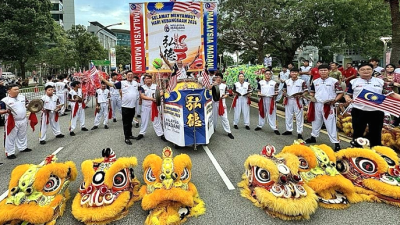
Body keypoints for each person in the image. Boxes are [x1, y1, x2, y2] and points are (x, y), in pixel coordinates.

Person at [344, 63, 400, 147]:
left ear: (372, 70)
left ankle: (376, 152)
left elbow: (392, 94)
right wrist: (347, 98)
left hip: (376, 112)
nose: (366, 71)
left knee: (376, 134)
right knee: (358, 133)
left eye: (368, 69)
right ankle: (357, 151)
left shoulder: (380, 82)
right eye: (362, 69)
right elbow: (347, 93)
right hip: (359, 111)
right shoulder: (353, 82)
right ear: (358, 72)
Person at [305, 64, 343, 151]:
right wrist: (310, 97)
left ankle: (336, 143)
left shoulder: (334, 81)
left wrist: (335, 100)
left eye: (325, 70)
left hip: (328, 105)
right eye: (321, 70)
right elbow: (312, 92)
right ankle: (313, 137)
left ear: (329, 71)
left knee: (330, 124)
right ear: (318, 71)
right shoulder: (315, 81)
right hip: (317, 104)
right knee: (315, 122)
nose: (323, 72)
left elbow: (340, 93)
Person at [101, 71, 140, 145]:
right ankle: (126, 138)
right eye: (129, 75)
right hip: (125, 107)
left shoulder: (136, 83)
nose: (130, 76)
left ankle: (130, 134)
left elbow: (142, 89)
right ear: (126, 76)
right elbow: (111, 85)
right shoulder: (122, 83)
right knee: (126, 123)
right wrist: (103, 79)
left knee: (130, 122)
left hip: (133, 106)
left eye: (131, 75)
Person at [0, 84, 32, 159]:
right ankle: (10, 152)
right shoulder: (4, 101)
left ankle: (23, 147)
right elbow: (0, 110)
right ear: (9, 91)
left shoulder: (23, 97)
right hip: (12, 121)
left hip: (23, 119)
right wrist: (6, 111)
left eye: (18, 89)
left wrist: (31, 106)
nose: (17, 91)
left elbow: (27, 104)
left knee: (22, 135)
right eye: (15, 89)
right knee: (10, 137)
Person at [136, 74, 166, 141]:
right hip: (145, 107)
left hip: (154, 107)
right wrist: (152, 99)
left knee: (156, 120)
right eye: (146, 79)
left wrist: (157, 96)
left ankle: (160, 134)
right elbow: (142, 96)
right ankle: (142, 133)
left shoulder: (156, 86)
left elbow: (161, 92)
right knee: (144, 121)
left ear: (151, 79)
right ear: (144, 80)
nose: (148, 80)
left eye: (149, 78)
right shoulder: (142, 87)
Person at [282, 68, 308, 139]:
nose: (294, 74)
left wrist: (301, 95)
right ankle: (289, 129)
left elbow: (305, 91)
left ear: (298, 73)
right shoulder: (287, 81)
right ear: (290, 73)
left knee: (299, 117)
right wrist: (284, 93)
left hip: (298, 100)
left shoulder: (302, 81)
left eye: (295, 72)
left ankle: (299, 132)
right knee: (288, 115)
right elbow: (284, 89)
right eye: (292, 72)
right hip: (289, 100)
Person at [255, 70, 280, 135]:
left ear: (271, 75)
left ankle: (274, 128)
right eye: (266, 74)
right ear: (264, 75)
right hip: (263, 99)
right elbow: (258, 91)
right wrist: (259, 94)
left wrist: (275, 95)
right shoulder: (260, 82)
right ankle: (260, 125)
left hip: (271, 100)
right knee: (261, 112)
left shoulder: (274, 83)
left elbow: (277, 91)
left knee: (272, 113)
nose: (268, 75)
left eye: (269, 74)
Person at [212, 73, 234, 139]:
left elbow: (227, 94)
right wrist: (213, 85)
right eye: (217, 77)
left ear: (221, 79)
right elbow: (208, 91)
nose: (218, 79)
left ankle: (229, 132)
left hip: (222, 103)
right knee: (213, 117)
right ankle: (213, 129)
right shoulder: (212, 85)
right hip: (214, 103)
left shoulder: (224, 86)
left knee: (224, 118)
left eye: (219, 77)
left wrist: (224, 96)